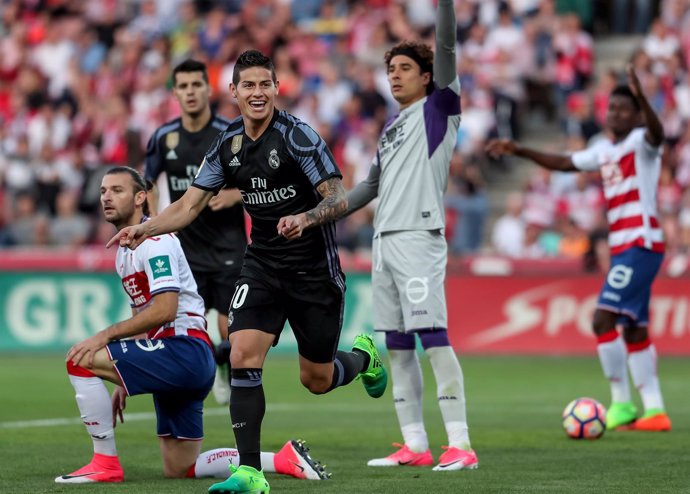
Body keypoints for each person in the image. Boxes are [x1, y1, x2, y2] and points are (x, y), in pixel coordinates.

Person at [107, 50, 388, 494]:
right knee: (241, 354)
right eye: (248, 86)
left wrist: (306, 219)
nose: (257, 93)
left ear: (277, 88)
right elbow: (189, 205)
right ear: (233, 92)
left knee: (315, 379)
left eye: (265, 85)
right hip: (261, 265)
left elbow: (338, 198)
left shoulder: (298, 137)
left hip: (314, 271)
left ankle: (363, 359)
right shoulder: (228, 144)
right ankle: (251, 472)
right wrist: (142, 229)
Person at [55, 167, 330, 484]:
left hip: (183, 351)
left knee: (79, 359)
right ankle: (281, 459)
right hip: (179, 355)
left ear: (141, 197)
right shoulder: (124, 251)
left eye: (117, 190)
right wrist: (120, 382)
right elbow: (142, 317)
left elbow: (165, 310)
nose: (106, 197)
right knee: (179, 466)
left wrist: (104, 337)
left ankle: (104, 463)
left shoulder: (154, 240)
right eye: (103, 190)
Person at [486, 65, 672, 432]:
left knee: (602, 318)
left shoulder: (642, 144)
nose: (615, 114)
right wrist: (520, 149)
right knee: (634, 327)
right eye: (611, 108)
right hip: (623, 246)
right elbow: (565, 163)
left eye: (623, 109)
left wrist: (645, 100)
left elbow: (657, 132)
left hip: (641, 241)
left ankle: (620, 404)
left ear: (636, 115)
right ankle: (655, 411)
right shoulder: (603, 150)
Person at [343, 0, 479, 472]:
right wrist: (317, 215)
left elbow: (445, 43)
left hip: (419, 236)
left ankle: (460, 444)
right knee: (397, 347)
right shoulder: (393, 126)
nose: (395, 76)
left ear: (427, 76)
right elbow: (369, 187)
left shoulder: (439, 107)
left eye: (405, 68)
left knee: (434, 339)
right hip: (384, 244)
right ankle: (415, 444)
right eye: (391, 69)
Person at [145, 59, 246, 405]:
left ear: (207, 89)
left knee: (230, 325)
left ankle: (226, 365)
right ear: (175, 92)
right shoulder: (163, 137)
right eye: (183, 86)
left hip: (229, 243)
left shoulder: (229, 132)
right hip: (185, 248)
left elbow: (255, 179)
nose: (190, 92)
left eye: (195, 85)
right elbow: (148, 183)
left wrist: (234, 194)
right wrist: (154, 220)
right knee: (188, 321)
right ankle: (193, 378)